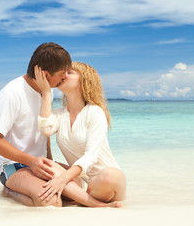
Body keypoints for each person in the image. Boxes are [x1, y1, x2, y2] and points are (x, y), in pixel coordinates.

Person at [0, 42, 72, 207]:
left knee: (80, 186)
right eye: (63, 73)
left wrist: (51, 162)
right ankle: (10, 191)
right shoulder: (11, 93)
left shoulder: (47, 90)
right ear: (46, 74)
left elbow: (44, 129)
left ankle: (31, 190)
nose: (66, 77)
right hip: (12, 166)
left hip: (38, 163)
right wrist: (31, 161)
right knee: (52, 202)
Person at [34, 62, 126, 206]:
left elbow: (90, 156)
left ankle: (78, 198)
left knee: (111, 176)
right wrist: (46, 92)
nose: (63, 75)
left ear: (83, 80)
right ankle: (83, 198)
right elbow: (46, 129)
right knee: (46, 166)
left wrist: (62, 179)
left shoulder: (94, 112)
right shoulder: (59, 113)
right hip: (80, 181)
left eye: (69, 72)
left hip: (106, 182)